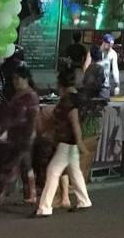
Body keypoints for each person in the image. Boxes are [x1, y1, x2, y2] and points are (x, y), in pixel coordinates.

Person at [35, 69, 92, 217]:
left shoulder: (68, 101)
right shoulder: (73, 98)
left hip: (66, 142)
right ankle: (84, 201)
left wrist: (79, 142)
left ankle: (44, 208)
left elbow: (73, 121)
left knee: (52, 172)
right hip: (69, 142)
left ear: (60, 84)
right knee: (75, 172)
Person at [0, 63, 40, 210]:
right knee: (25, 167)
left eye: (18, 79)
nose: (15, 83)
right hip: (18, 136)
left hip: (22, 137)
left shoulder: (30, 96)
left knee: (8, 167)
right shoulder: (21, 95)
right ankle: (30, 195)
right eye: (14, 80)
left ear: (25, 78)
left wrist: (3, 132)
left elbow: (26, 119)